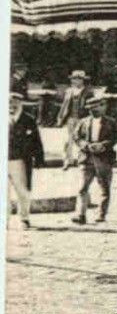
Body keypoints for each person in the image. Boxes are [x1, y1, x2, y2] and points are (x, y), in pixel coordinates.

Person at [70, 92, 117, 225]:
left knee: (104, 187)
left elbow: (114, 139)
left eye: (97, 107)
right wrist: (86, 145)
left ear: (103, 107)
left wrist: (102, 145)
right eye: (91, 108)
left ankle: (101, 214)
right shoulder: (83, 122)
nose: (94, 110)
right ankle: (81, 214)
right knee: (82, 188)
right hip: (86, 158)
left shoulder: (111, 123)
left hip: (104, 159)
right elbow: (76, 137)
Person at [9, 92, 45, 229]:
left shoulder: (28, 120)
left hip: (20, 161)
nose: (12, 105)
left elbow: (37, 141)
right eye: (9, 103)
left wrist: (39, 158)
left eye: (15, 102)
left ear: (21, 103)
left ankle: (24, 218)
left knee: (22, 190)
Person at [55, 70, 92, 170]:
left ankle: (82, 161)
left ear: (82, 80)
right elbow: (64, 105)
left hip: (83, 119)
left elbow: (91, 106)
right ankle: (67, 160)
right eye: (74, 79)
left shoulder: (88, 92)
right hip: (71, 118)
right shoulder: (69, 91)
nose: (75, 81)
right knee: (68, 140)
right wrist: (60, 117)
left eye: (78, 79)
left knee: (82, 140)